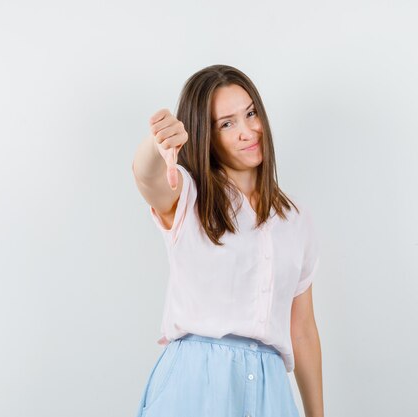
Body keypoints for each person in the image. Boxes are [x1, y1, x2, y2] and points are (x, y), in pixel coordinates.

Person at [131, 64, 323, 417]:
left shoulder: (296, 219)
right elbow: (147, 178)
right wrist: (157, 144)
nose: (248, 131)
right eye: (227, 123)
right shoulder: (189, 195)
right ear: (207, 135)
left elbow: (303, 330)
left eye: (251, 113)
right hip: (197, 380)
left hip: (271, 388)